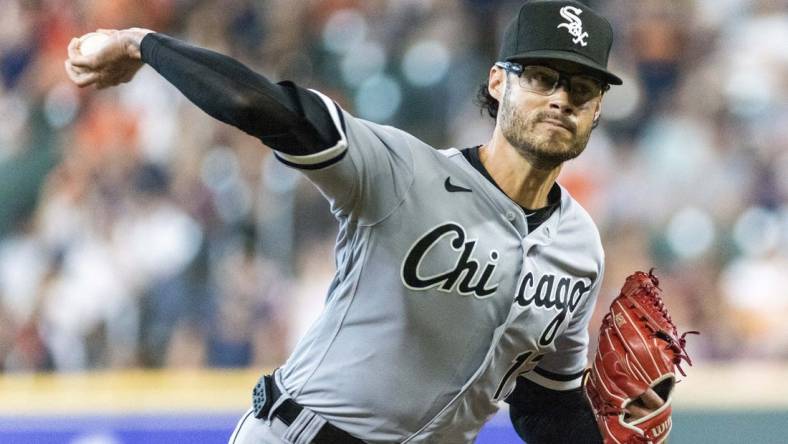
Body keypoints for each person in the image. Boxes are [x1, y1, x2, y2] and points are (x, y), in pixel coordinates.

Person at [66, 1, 661, 442]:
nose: (561, 99)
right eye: (542, 78)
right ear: (498, 80)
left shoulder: (581, 246)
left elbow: (544, 403)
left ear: (599, 109)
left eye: (582, 88)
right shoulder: (405, 172)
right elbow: (264, 108)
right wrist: (142, 43)